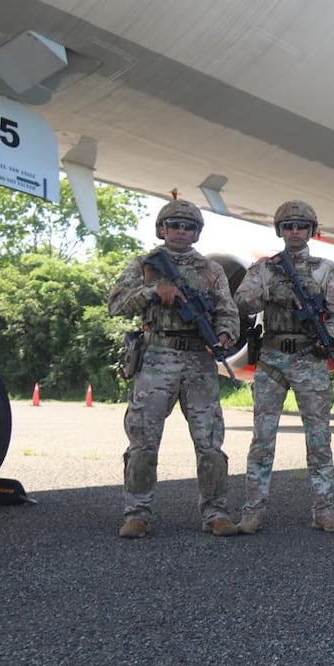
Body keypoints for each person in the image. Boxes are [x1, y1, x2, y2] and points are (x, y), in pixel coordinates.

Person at [108, 199, 240, 538]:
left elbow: (227, 310)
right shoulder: (145, 265)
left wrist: (224, 336)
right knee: (143, 440)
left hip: (199, 359)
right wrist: (153, 290)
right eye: (175, 225)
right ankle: (137, 512)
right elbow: (116, 305)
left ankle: (215, 512)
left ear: (197, 232)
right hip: (157, 356)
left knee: (210, 443)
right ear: (162, 229)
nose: (181, 231)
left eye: (188, 226)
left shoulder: (211, 269)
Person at [233, 201, 334, 534]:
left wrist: (325, 339)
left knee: (319, 438)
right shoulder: (265, 269)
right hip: (272, 357)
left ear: (311, 230)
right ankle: (252, 511)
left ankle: (324, 511)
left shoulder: (325, 269)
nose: (294, 231)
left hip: (309, 356)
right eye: (288, 226)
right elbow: (242, 302)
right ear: (280, 231)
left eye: (301, 225)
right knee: (263, 439)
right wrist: (274, 293)